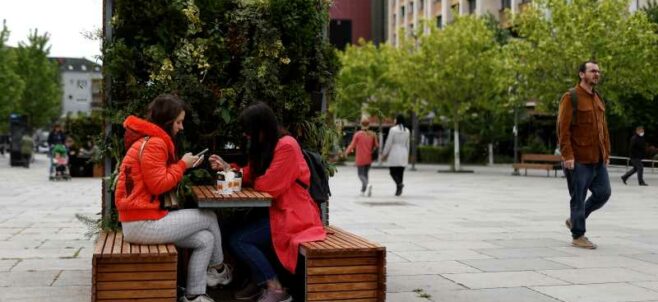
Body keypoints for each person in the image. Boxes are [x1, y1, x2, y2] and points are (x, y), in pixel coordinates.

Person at [114, 94, 232, 302]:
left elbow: (156, 178)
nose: (181, 127)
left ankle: (194, 295)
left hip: (139, 220)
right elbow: (158, 184)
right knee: (209, 216)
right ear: (167, 122)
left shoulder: (149, 140)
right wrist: (181, 166)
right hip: (143, 223)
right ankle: (219, 269)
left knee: (206, 239)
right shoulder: (155, 144)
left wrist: (183, 167)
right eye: (178, 122)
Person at [209, 102, 326, 302]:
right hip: (273, 211)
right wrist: (228, 167)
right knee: (227, 229)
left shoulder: (287, 146)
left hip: (293, 214)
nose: (246, 136)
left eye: (249, 131)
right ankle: (257, 280)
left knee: (240, 240)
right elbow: (252, 174)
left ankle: (275, 288)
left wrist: (255, 178)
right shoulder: (266, 145)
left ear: (261, 128)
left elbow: (269, 186)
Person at [557, 60, 611, 250]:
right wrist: (568, 155)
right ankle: (578, 235)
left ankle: (574, 220)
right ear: (581, 74)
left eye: (598, 71)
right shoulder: (570, 97)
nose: (596, 74)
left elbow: (603, 129)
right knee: (578, 197)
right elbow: (563, 130)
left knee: (604, 193)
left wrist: (606, 151)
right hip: (578, 158)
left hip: (597, 158)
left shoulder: (598, 98)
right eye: (592, 71)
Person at [344, 118, 379, 196]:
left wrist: (346, 152)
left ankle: (368, 184)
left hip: (360, 158)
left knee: (360, 175)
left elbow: (352, 145)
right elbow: (376, 146)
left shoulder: (358, 134)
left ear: (361, 124)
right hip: (369, 157)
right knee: (365, 174)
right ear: (369, 125)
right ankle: (363, 191)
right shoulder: (373, 134)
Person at [382, 114, 410, 196]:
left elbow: (389, 142)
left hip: (394, 151)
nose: (394, 120)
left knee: (392, 171)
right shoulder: (407, 130)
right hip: (404, 151)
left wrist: (384, 153)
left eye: (395, 119)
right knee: (400, 172)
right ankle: (398, 190)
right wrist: (407, 154)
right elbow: (408, 144)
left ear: (397, 120)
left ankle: (399, 184)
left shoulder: (393, 130)